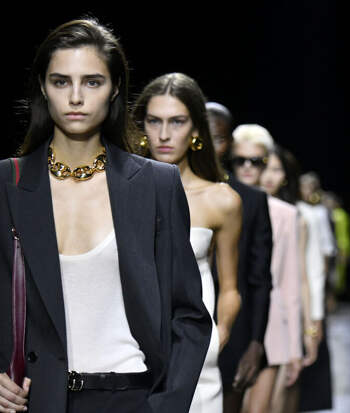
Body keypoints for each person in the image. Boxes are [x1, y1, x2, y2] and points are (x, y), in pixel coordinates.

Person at [0, 19, 212, 413]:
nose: (76, 97)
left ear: (115, 88)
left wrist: (166, 406)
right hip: (33, 400)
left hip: (131, 397)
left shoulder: (156, 185)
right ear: (43, 87)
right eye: (61, 82)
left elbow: (188, 313)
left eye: (92, 82)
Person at [132, 73, 242, 413]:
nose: (164, 134)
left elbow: (230, 286)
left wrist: (218, 336)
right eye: (154, 121)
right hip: (128, 349)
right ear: (142, 126)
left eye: (177, 122)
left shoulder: (221, 200)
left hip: (196, 352)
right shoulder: (116, 192)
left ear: (195, 130)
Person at [229, 125, 303, 413]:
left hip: (269, 322)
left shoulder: (286, 214)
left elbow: (291, 281)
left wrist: (296, 346)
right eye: (240, 160)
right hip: (228, 318)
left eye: (256, 161)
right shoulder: (218, 201)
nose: (248, 167)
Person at [206, 103, 273, 413]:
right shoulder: (164, 188)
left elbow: (259, 278)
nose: (207, 145)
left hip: (234, 332)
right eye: (201, 136)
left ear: (229, 144)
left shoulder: (252, 200)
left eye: (218, 138)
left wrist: (256, 343)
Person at [259, 145, 319, 413]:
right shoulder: (234, 207)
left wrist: (308, 330)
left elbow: (300, 278)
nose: (269, 176)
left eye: (276, 170)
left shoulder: (294, 218)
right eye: (265, 168)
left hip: (279, 317)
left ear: (285, 176)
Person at [296, 171, 335, 412]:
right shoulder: (299, 211)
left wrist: (317, 312)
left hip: (308, 288)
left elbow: (321, 257)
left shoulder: (314, 214)